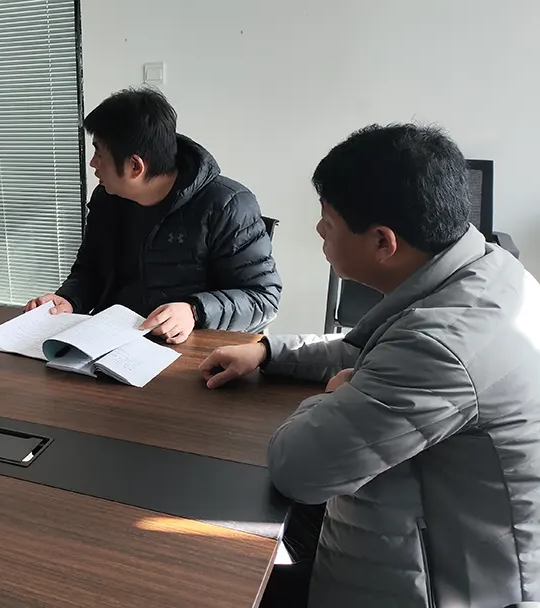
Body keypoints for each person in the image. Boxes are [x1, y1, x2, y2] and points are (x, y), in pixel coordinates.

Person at [200, 124, 540, 607]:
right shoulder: (487, 267)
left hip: (441, 585)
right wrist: (269, 351)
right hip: (442, 532)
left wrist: (335, 395)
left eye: (328, 221)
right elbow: (368, 349)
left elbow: (299, 469)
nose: (319, 230)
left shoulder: (440, 347)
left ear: (383, 242)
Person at [24, 88, 280, 343]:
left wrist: (194, 311)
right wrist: (68, 300)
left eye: (99, 153)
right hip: (109, 341)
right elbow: (89, 272)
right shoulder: (107, 199)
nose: (93, 163)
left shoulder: (228, 205)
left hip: (186, 349)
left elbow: (263, 299)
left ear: (135, 166)